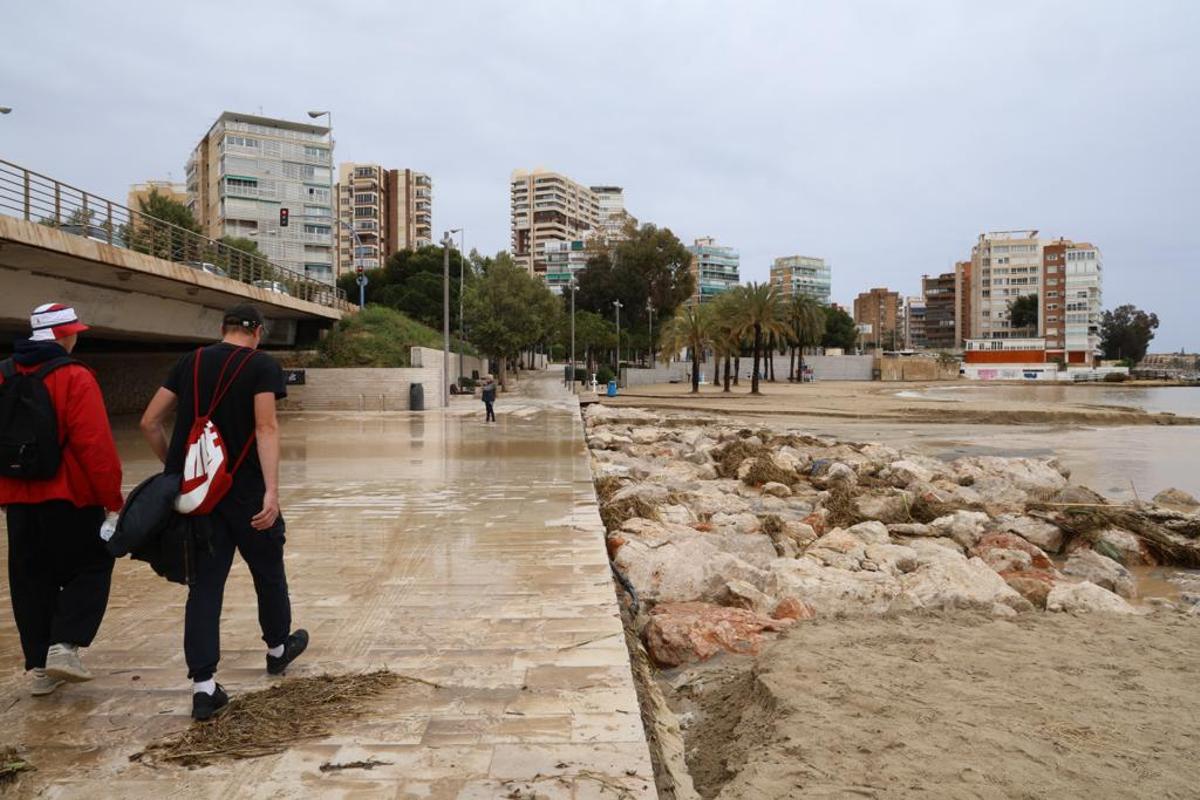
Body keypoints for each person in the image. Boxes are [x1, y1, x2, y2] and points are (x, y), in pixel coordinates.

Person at [139, 304, 307, 721]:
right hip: (246, 493)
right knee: (267, 571)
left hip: (201, 500)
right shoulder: (262, 365)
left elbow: (149, 422)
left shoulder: (190, 362)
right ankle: (277, 648)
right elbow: (265, 427)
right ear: (258, 332)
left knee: (205, 586)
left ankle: (204, 687)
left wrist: (181, 474)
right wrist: (272, 492)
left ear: (222, 328)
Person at [0, 303, 123, 697]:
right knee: (93, 564)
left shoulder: (4, 373)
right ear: (62, 335)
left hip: (18, 499)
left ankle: (41, 669)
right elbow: (94, 444)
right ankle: (64, 646)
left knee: (30, 579)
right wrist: (112, 498)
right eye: (74, 332)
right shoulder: (75, 376)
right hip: (71, 496)